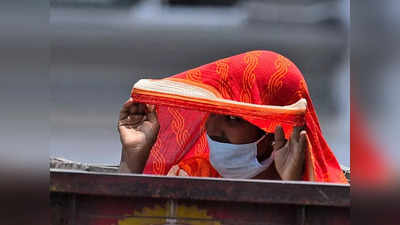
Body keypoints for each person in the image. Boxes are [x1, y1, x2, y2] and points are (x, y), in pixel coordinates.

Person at [118, 50, 347, 183]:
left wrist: (291, 189)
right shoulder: (191, 178)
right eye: (212, 113)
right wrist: (132, 161)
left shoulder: (325, 197)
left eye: (233, 119)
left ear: (275, 134)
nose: (214, 128)